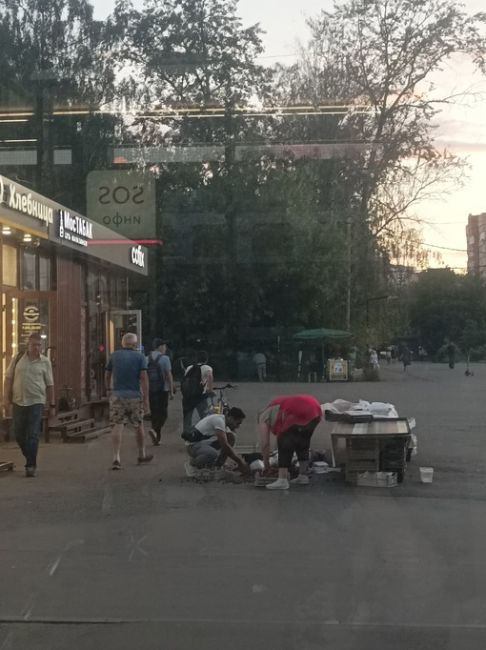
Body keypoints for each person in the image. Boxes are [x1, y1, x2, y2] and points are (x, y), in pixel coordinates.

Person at [3, 332, 55, 477]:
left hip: (36, 401)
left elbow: (50, 384)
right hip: (19, 401)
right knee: (19, 433)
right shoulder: (18, 358)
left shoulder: (45, 362)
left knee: (33, 433)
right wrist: (5, 398)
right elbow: (8, 379)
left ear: (42, 347)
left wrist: (52, 405)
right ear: (28, 345)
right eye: (33, 345)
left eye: (39, 345)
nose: (36, 348)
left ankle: (30, 465)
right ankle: (29, 456)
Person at [105, 332, 153, 470]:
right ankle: (141, 454)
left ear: (123, 343)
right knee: (138, 425)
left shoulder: (114, 356)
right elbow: (144, 378)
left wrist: (108, 389)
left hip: (117, 396)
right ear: (135, 344)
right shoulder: (140, 357)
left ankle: (116, 457)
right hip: (134, 396)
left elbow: (107, 374)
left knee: (117, 425)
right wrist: (146, 399)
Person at [258, 394, 322, 490]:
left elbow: (265, 444)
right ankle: (303, 476)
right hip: (315, 409)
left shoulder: (263, 416)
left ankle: (282, 480)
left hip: (301, 409)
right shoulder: (275, 407)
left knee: (284, 440)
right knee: (302, 440)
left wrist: (266, 464)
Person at [184, 407, 249, 477]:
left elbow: (228, 443)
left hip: (203, 444)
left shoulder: (224, 422)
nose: (238, 426)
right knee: (212, 454)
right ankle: (192, 465)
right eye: (238, 423)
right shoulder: (219, 420)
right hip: (193, 446)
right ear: (230, 418)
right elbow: (224, 445)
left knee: (231, 437)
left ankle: (217, 466)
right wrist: (240, 462)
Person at [146, 338, 175, 446]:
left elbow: (143, 375)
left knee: (154, 412)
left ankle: (156, 436)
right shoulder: (165, 359)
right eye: (164, 346)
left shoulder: (146, 358)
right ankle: (155, 431)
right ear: (160, 347)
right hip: (163, 390)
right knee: (163, 413)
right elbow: (169, 375)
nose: (165, 348)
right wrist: (171, 391)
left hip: (150, 389)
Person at [181, 350, 214, 432]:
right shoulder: (207, 367)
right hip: (200, 397)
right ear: (206, 360)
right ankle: (202, 433)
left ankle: (186, 434)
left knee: (187, 417)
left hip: (188, 397)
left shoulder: (189, 367)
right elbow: (210, 376)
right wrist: (210, 390)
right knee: (204, 416)